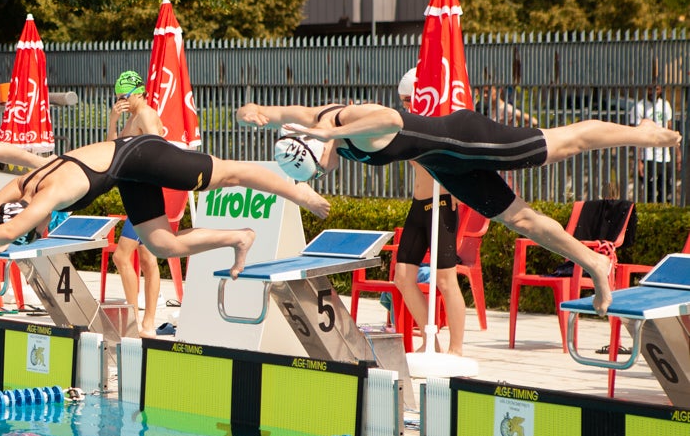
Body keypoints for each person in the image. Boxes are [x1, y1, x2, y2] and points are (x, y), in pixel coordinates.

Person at [235, 98, 683, 312]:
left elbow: (389, 118)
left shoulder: (341, 123)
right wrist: (250, 112)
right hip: (444, 164)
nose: (325, 172)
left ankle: (643, 133)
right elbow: (264, 111)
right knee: (522, 220)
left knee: (564, 144)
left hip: (463, 138)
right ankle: (594, 263)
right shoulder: (307, 123)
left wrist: (332, 133)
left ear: (314, 146)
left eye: (318, 168)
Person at [0, 137, 330, 280]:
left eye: (39, 228)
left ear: (33, 217)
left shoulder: (46, 197)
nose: (45, 227)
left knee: (230, 174)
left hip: (141, 154)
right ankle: (240, 238)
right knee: (163, 245)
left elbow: (9, 231)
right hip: (126, 175)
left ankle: (299, 193)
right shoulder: (20, 186)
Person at [392, 70, 466, 358]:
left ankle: (456, 348)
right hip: (418, 206)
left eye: (410, 99)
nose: (406, 106)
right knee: (402, 277)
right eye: (403, 100)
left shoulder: (442, 125)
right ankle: (430, 341)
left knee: (446, 280)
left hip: (441, 205)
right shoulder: (409, 126)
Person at [106, 71, 168, 338]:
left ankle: (135, 319)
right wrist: (113, 119)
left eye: (125, 96)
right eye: (118, 97)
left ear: (140, 93)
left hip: (145, 193)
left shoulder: (145, 114)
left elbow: (157, 149)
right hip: (136, 192)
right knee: (147, 258)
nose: (122, 101)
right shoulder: (132, 118)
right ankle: (147, 324)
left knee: (122, 256)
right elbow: (112, 149)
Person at [634, 82, 678, 203]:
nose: (653, 92)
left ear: (661, 90)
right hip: (648, 155)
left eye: (656, 89)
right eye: (650, 89)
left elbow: (670, 129)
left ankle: (663, 213)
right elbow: (635, 135)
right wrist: (639, 161)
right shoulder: (640, 107)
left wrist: (678, 153)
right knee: (650, 192)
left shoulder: (665, 105)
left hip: (664, 156)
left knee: (666, 191)